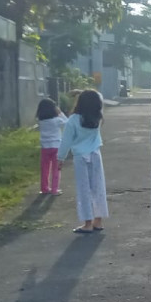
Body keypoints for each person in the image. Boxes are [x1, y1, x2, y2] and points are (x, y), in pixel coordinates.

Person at [58, 89, 108, 234]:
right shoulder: (97, 117)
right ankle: (98, 220)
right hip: (95, 155)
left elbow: (65, 141)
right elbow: (100, 96)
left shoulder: (73, 120)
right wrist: (84, 92)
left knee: (84, 189)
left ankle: (87, 223)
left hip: (81, 157)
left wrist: (60, 158)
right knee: (98, 187)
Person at [35, 98, 67, 195]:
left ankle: (44, 188)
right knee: (56, 169)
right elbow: (68, 122)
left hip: (45, 147)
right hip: (56, 146)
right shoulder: (57, 120)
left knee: (45, 168)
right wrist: (60, 112)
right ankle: (54, 189)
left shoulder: (40, 121)